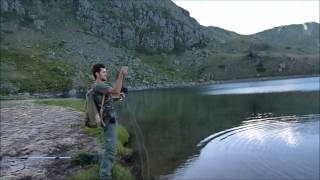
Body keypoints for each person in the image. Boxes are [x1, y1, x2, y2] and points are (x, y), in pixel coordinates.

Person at [91, 63, 128, 180]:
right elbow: (116, 90)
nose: (106, 73)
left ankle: (100, 160)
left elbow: (110, 97)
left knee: (110, 147)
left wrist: (119, 96)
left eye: (106, 72)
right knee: (111, 151)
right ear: (97, 74)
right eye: (103, 72)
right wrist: (121, 74)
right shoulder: (99, 85)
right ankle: (105, 176)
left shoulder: (101, 85)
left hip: (110, 119)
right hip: (108, 121)